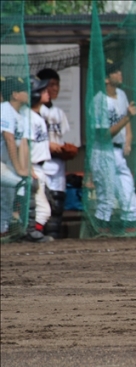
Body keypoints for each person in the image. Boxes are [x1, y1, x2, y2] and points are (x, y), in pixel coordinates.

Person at [90, 59, 136, 236]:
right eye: (115, 72)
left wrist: (128, 139)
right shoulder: (99, 101)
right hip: (103, 151)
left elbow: (127, 120)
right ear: (106, 79)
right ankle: (101, 234)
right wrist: (127, 118)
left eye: (119, 70)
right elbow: (103, 135)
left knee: (128, 194)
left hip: (118, 151)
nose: (120, 74)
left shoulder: (121, 94)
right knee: (107, 198)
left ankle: (130, 233)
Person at [37, 68, 75, 239]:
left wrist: (66, 149)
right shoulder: (36, 111)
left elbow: (64, 138)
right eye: (51, 84)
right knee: (43, 202)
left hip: (58, 163)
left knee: (58, 203)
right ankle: (37, 235)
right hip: (42, 162)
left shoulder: (59, 112)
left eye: (57, 84)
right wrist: (48, 146)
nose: (55, 88)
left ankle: (54, 239)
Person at [1, 76, 31, 239]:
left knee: (11, 195)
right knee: (19, 185)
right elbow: (9, 139)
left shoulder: (23, 114)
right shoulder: (4, 109)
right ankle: (18, 226)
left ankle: (6, 230)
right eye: (24, 90)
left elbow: (23, 144)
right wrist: (19, 169)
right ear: (15, 94)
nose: (28, 93)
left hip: (7, 164)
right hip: (2, 163)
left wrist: (24, 169)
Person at [27, 75, 54, 242]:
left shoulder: (38, 116)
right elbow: (24, 146)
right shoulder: (29, 118)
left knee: (42, 210)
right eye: (42, 91)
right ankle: (29, 235)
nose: (47, 92)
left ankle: (30, 234)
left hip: (39, 167)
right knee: (42, 211)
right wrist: (30, 170)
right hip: (31, 167)